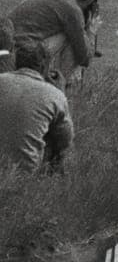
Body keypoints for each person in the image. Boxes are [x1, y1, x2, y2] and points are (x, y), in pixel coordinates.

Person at [5, 0, 102, 90]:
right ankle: (58, 86)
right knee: (71, 38)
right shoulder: (72, 9)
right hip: (24, 53)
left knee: (70, 33)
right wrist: (91, 31)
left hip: (8, 49)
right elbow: (84, 58)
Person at [0, 38, 73, 174]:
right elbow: (65, 140)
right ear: (45, 67)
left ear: (16, 62)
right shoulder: (54, 94)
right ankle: (51, 183)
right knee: (55, 137)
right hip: (23, 173)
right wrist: (60, 92)